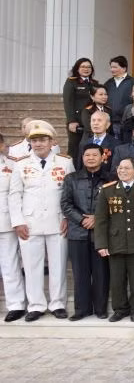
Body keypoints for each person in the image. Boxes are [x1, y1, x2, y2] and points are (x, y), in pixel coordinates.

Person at [9, 121, 74, 322]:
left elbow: (69, 194)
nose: (38, 144)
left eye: (42, 140)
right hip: (30, 223)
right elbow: (14, 195)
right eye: (34, 141)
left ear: (51, 141)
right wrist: (18, 221)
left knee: (58, 265)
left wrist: (67, 217)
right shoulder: (21, 164)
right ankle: (36, 305)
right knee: (31, 266)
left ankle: (58, 303)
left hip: (57, 221)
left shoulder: (64, 162)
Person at [94, 157, 134, 323]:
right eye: (120, 168)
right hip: (115, 241)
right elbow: (101, 219)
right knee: (117, 278)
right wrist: (102, 243)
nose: (122, 171)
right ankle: (120, 309)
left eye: (127, 168)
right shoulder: (108, 190)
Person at [60, 144, 112, 321]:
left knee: (101, 273)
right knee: (80, 273)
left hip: (101, 233)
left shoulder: (110, 179)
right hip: (77, 232)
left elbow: (115, 203)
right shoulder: (71, 178)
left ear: (102, 157)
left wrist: (97, 218)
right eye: (87, 155)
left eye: (94, 155)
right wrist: (82, 220)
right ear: (82, 158)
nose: (90, 158)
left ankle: (100, 308)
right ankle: (82, 309)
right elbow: (66, 204)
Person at [0, 133, 26, 322]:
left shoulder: (13, 164)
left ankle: (16, 304)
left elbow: (18, 193)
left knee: (10, 265)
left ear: (2, 145)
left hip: (5, 221)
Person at [63, 58, 97, 166]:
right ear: (77, 68)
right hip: (76, 122)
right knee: (74, 149)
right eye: (83, 66)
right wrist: (71, 120)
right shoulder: (71, 82)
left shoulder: (94, 83)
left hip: (90, 122)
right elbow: (68, 102)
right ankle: (71, 173)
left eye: (88, 67)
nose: (86, 69)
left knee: (88, 149)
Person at [105, 56, 134, 138]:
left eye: (115, 67)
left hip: (127, 122)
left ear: (124, 68)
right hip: (110, 123)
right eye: (111, 67)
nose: (112, 69)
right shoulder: (108, 83)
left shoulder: (133, 82)